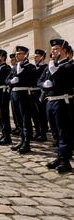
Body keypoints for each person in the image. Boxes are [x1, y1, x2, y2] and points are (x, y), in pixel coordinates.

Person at [40, 39, 74, 173]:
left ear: (65, 51)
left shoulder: (70, 65)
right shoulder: (52, 65)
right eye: (52, 49)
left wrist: (54, 73)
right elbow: (40, 81)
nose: (53, 51)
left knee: (63, 131)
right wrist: (44, 84)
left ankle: (66, 161)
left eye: (57, 49)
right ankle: (59, 157)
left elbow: (65, 82)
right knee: (55, 132)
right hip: (51, 101)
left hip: (63, 102)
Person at [7, 46, 36, 154]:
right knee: (18, 119)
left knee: (25, 119)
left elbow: (33, 80)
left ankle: (27, 143)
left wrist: (19, 80)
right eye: (16, 53)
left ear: (25, 55)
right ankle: (21, 139)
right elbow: (7, 79)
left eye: (19, 53)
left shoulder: (30, 67)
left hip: (24, 94)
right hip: (14, 94)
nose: (17, 55)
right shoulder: (14, 67)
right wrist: (11, 81)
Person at [31, 49, 48, 141]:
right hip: (33, 93)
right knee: (34, 114)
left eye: (37, 56)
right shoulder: (33, 68)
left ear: (42, 57)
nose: (35, 58)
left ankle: (43, 133)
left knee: (41, 114)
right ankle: (38, 131)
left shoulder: (45, 67)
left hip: (40, 93)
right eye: (34, 57)